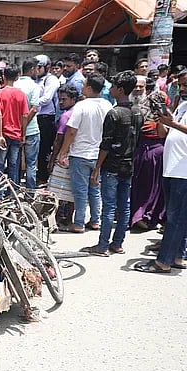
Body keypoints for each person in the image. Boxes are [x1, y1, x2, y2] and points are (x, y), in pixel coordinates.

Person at [80, 71, 142, 256]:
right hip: (128, 165)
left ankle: (102, 245)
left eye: (113, 86)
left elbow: (106, 144)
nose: (111, 89)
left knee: (109, 207)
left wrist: (97, 168)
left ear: (120, 89)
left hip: (112, 166)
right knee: (124, 207)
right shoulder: (138, 112)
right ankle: (117, 243)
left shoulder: (114, 113)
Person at [133, 76, 187, 274]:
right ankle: (178, 256)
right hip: (172, 168)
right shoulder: (182, 106)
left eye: (186, 85)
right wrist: (161, 120)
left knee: (176, 218)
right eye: (181, 85)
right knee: (177, 217)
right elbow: (164, 134)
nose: (182, 89)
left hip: (183, 171)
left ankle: (163, 262)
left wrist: (171, 124)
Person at [58, 74, 113, 233]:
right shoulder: (107, 105)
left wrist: (63, 152)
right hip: (99, 155)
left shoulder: (81, 106)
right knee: (95, 189)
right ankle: (95, 221)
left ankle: (79, 223)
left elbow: (71, 132)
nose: (82, 87)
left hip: (80, 154)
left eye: (84, 84)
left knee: (80, 191)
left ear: (89, 88)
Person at [131, 72, 176, 231]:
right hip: (150, 153)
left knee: (150, 187)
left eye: (140, 87)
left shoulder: (155, 115)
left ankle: (145, 215)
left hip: (151, 153)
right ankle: (143, 215)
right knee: (149, 187)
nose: (137, 90)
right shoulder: (137, 111)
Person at [48, 86, 80, 227]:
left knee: (57, 190)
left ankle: (54, 219)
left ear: (73, 99)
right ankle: (68, 218)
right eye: (59, 99)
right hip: (76, 156)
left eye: (64, 99)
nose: (61, 102)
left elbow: (58, 140)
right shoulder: (79, 112)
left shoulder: (66, 116)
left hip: (63, 157)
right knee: (72, 191)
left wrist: (53, 159)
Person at [0, 64, 28, 184]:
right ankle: (12, 193)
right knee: (13, 165)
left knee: (0, 165)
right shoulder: (21, 95)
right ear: (17, 77)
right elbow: (25, 115)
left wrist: (0, 134)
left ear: (3, 76)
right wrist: (23, 134)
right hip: (16, 134)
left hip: (2, 134)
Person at [16, 58, 41, 189]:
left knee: (15, 162)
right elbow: (34, 109)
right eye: (37, 69)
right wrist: (24, 127)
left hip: (14, 130)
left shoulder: (15, 85)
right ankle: (30, 193)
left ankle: (13, 191)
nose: (38, 71)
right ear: (32, 69)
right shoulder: (34, 86)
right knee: (31, 164)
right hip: (31, 130)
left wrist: (19, 128)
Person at [36, 55, 60, 184]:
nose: (36, 69)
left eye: (39, 67)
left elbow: (46, 99)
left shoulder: (51, 80)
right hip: (35, 116)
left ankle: (43, 177)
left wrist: (31, 103)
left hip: (46, 118)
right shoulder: (35, 79)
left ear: (47, 67)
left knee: (44, 149)